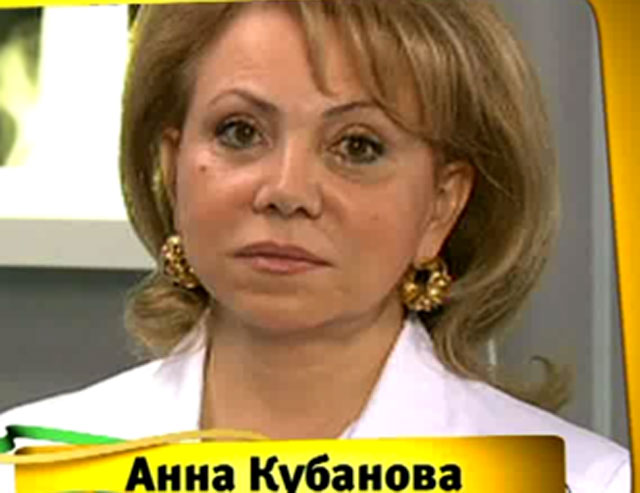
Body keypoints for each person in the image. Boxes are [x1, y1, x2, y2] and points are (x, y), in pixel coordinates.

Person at [0, 0, 630, 491]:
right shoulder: (23, 468)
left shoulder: (587, 483)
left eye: (357, 146)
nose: (287, 191)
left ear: (442, 204)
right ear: (172, 165)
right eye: (240, 132)